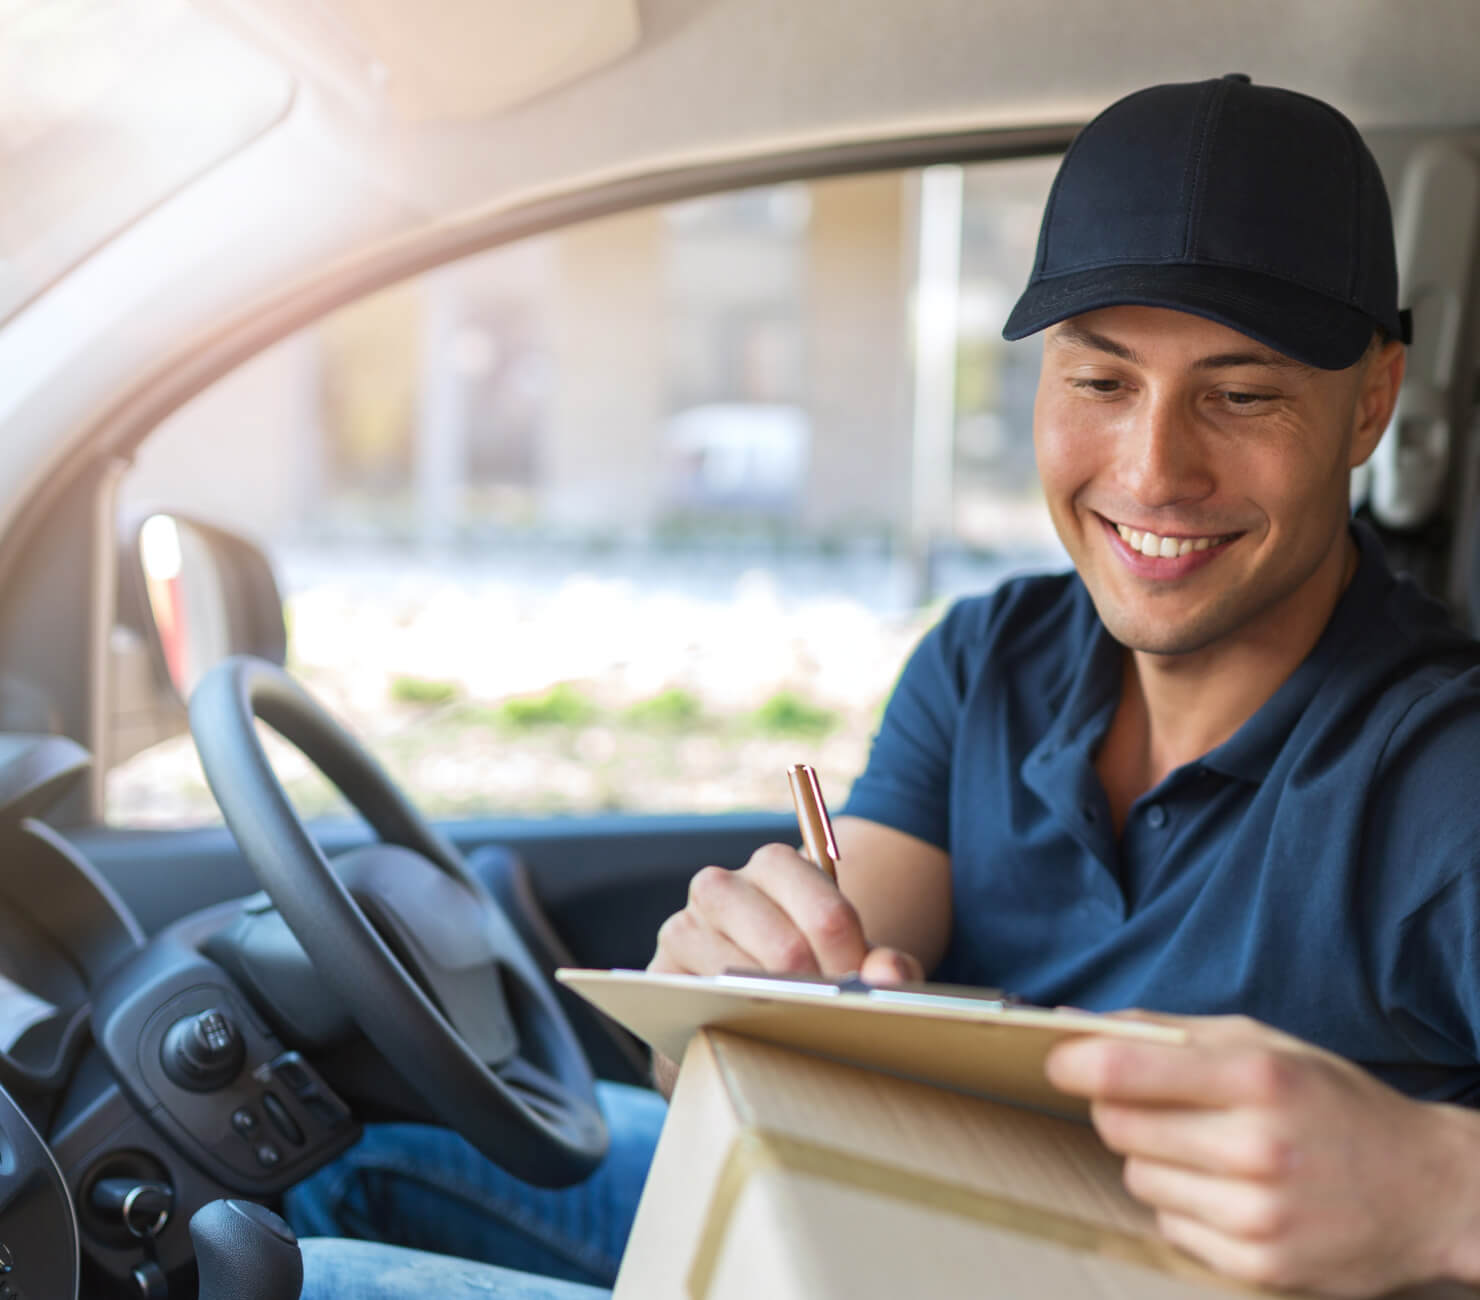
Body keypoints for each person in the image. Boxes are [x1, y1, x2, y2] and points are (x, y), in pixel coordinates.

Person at [296, 74, 1480, 1298]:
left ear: (1371, 402)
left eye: (1240, 395)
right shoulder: (991, 660)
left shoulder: (1444, 777)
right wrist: (727, 997)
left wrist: (1438, 1187)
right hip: (905, 1221)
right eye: (1100, 381)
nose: (1154, 468)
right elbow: (827, 990)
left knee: (311, 1283)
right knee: (357, 1146)